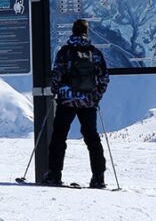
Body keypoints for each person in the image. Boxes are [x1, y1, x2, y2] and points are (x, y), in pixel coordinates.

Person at [44, 19, 110, 188]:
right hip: (88, 101)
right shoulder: (94, 53)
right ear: (87, 33)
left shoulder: (64, 52)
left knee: (59, 137)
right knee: (92, 138)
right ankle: (98, 177)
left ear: (72, 31)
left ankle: (54, 174)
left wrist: (56, 91)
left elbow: (56, 74)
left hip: (66, 100)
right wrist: (96, 97)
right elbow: (104, 78)